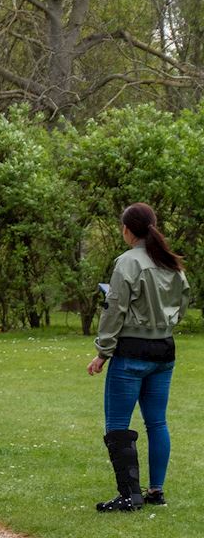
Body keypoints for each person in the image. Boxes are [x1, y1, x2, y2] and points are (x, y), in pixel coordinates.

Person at [87, 202, 190, 512]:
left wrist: (103, 352)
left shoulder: (128, 262)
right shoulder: (171, 262)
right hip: (164, 349)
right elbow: (182, 303)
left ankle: (129, 494)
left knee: (117, 423)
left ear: (127, 230)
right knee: (157, 422)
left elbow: (115, 307)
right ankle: (155, 491)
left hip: (132, 350)